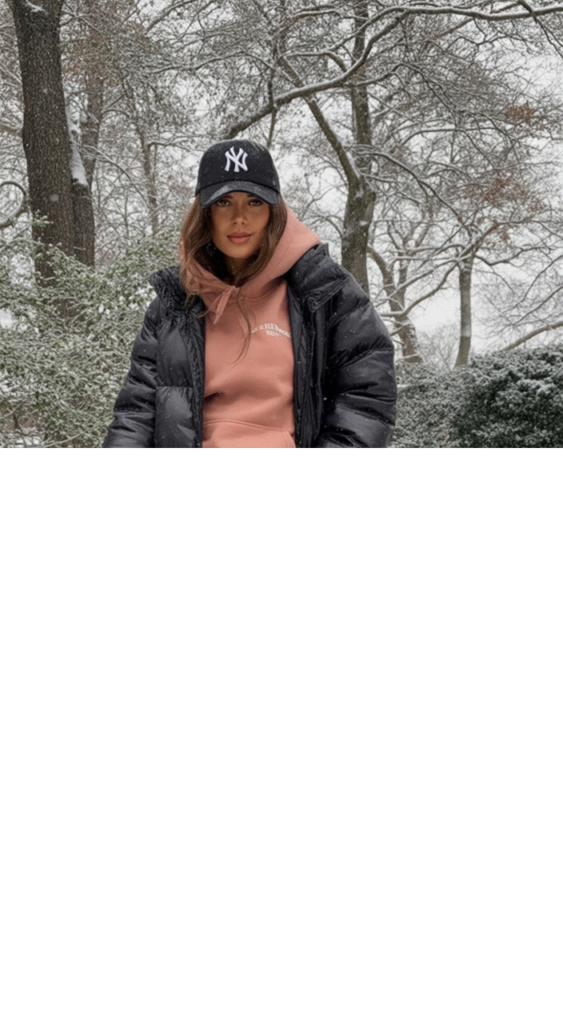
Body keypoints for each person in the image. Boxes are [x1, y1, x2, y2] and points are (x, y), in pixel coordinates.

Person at [102, 138, 396, 449]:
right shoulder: (173, 303)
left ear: (274, 211)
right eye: (224, 202)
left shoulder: (326, 291)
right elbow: (137, 414)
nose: (239, 217)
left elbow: (366, 401)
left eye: (254, 202)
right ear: (205, 213)